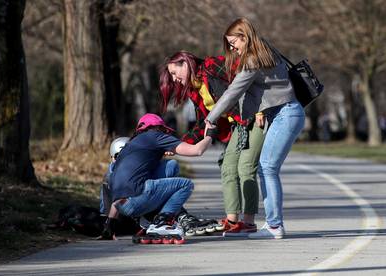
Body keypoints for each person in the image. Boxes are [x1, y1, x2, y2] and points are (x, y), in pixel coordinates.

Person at [204, 17, 305, 239]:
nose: (232, 48)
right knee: (266, 168)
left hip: (285, 113)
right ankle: (272, 224)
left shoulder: (252, 61)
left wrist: (211, 117)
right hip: (286, 113)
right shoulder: (266, 49)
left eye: (234, 43)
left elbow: (233, 91)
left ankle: (274, 226)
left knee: (267, 167)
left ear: (244, 37)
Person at [159, 51, 265, 234]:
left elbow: (250, 75)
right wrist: (178, 145)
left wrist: (261, 108)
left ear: (185, 63)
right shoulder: (195, 89)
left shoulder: (211, 66)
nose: (175, 80)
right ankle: (232, 221)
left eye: (175, 73)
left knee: (246, 167)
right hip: (237, 126)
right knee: (228, 167)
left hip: (255, 117)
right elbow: (204, 124)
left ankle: (248, 221)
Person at [101, 113, 216, 241]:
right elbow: (197, 150)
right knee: (186, 185)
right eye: (163, 130)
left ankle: (150, 219)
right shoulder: (156, 137)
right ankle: (161, 222)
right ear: (158, 128)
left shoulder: (130, 146)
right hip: (136, 199)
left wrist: (109, 225)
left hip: (121, 206)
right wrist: (210, 135)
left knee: (170, 165)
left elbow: (122, 185)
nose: (165, 133)